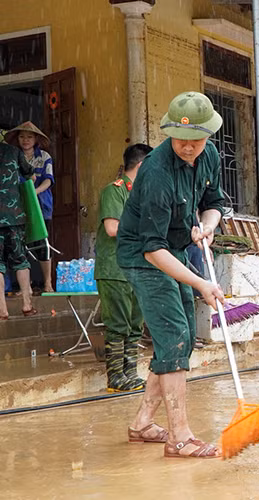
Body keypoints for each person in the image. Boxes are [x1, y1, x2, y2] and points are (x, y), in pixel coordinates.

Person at [117, 91, 226, 458]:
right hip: (143, 256)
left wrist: (207, 227)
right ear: (169, 133)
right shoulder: (156, 172)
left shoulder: (209, 156)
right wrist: (200, 283)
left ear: (208, 136)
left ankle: (143, 422)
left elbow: (213, 204)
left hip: (176, 249)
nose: (188, 147)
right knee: (175, 334)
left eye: (196, 140)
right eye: (181, 140)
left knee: (179, 338)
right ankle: (179, 437)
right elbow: (151, 248)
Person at [95, 143, 152, 393]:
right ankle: (115, 377)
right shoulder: (114, 191)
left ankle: (130, 373)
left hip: (138, 269)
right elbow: (112, 228)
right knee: (117, 324)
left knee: (135, 324)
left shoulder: (142, 194)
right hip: (114, 269)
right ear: (141, 165)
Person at [5, 122, 55, 292]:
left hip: (41, 205)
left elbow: (48, 180)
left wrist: (34, 192)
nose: (25, 140)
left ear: (36, 139)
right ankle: (26, 287)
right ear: (17, 139)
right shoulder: (12, 156)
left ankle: (48, 283)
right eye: (22, 137)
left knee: (42, 244)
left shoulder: (45, 156)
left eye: (29, 137)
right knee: (19, 245)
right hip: (18, 207)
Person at [0, 141, 36, 319]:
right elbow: (30, 175)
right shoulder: (13, 150)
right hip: (14, 216)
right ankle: (27, 305)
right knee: (20, 259)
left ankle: (2, 310)